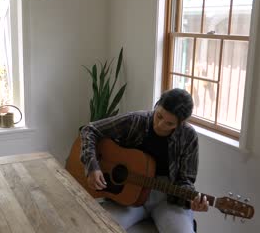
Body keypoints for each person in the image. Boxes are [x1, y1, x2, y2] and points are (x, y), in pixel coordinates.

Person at [80, 88, 208, 233]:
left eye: (169, 124)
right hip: (130, 195)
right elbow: (89, 130)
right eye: (159, 116)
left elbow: (186, 180)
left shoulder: (188, 136)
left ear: (181, 123)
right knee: (97, 228)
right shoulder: (135, 121)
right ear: (157, 105)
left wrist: (191, 200)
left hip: (166, 198)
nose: (160, 125)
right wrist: (92, 166)